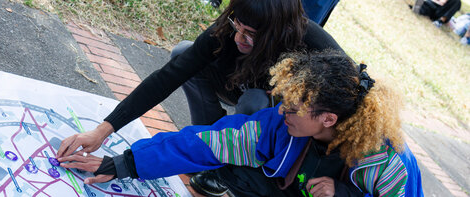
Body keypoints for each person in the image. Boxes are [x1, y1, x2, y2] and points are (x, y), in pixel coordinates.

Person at [57, 0, 344, 195]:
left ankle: (231, 164)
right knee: (184, 54)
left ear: (277, 36)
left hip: (277, 124)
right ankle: (222, 158)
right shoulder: (233, 31)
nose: (237, 38)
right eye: (236, 26)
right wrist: (104, 130)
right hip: (250, 101)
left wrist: (339, 188)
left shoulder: (317, 56)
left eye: (250, 35)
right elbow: (169, 76)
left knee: (255, 107)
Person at [58, 50, 424, 197]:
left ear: (327, 119)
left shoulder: (388, 165)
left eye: (293, 108)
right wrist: (121, 164)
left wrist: (343, 194)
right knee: (234, 165)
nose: (282, 112)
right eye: (284, 102)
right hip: (296, 187)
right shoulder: (284, 124)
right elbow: (206, 143)